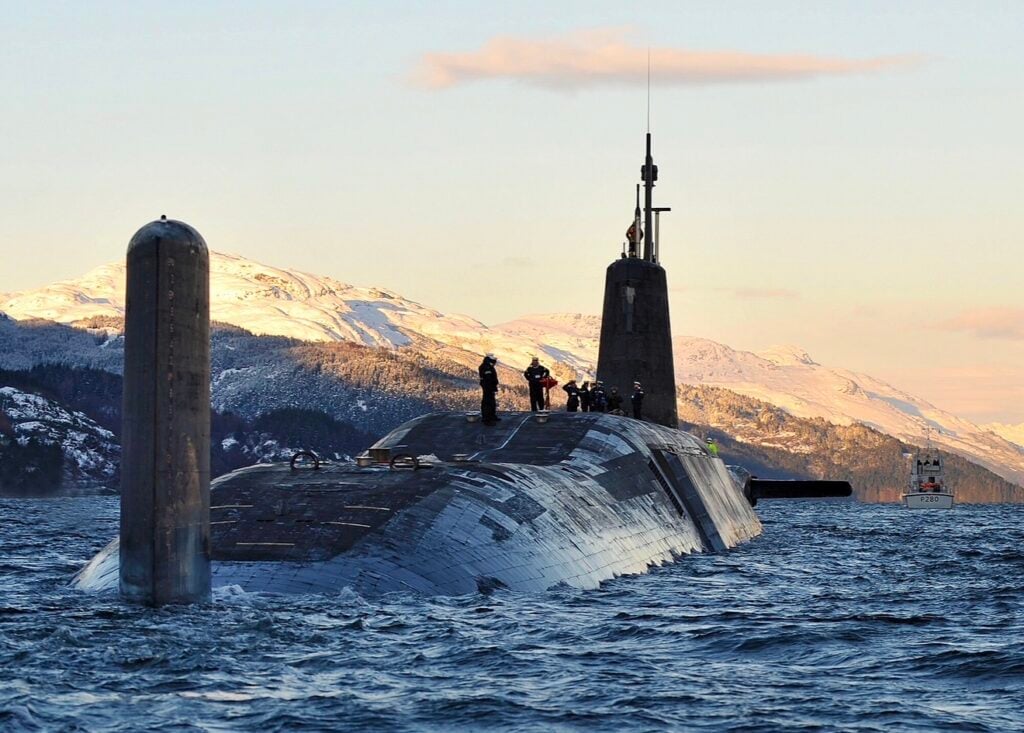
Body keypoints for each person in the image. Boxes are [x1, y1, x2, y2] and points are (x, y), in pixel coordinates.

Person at [478, 353, 500, 425]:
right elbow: (488, 378)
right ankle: (486, 419)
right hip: (487, 387)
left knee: (492, 402)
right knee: (487, 402)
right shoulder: (486, 367)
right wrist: (491, 385)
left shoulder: (489, 366)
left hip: (490, 386)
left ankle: (492, 416)